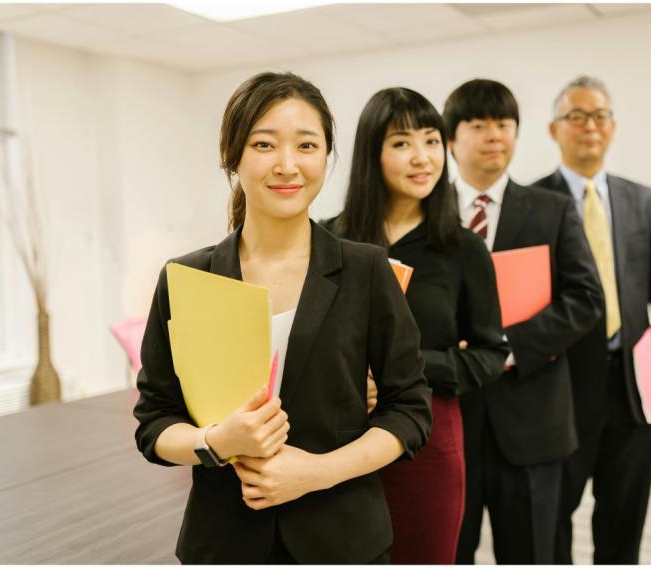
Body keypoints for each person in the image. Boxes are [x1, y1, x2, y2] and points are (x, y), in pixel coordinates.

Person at [133, 71, 432, 564]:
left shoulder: (366, 270)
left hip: (342, 539)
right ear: (233, 157)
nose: (288, 165)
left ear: (326, 158)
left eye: (307, 146)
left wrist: (318, 472)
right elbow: (154, 421)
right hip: (224, 542)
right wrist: (214, 443)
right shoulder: (186, 277)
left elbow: (410, 408)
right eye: (265, 144)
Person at [328, 87, 509, 564]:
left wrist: (405, 371)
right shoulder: (330, 240)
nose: (422, 157)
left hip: (426, 440)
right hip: (336, 438)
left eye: (432, 141)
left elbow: (490, 354)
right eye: (403, 143)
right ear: (373, 153)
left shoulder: (463, 249)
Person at [442, 78, 603, 564]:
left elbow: (585, 298)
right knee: (448, 550)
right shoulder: (426, 215)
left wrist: (507, 348)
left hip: (533, 419)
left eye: (504, 124)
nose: (495, 135)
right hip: (449, 421)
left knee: (535, 551)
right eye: (478, 124)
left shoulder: (551, 210)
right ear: (450, 140)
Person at [534, 75, 651, 564]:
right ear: (553, 129)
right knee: (552, 512)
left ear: (613, 126)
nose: (590, 126)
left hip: (632, 383)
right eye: (576, 116)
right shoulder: (533, 203)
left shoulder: (641, 200)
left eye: (599, 116)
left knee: (625, 511)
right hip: (559, 385)